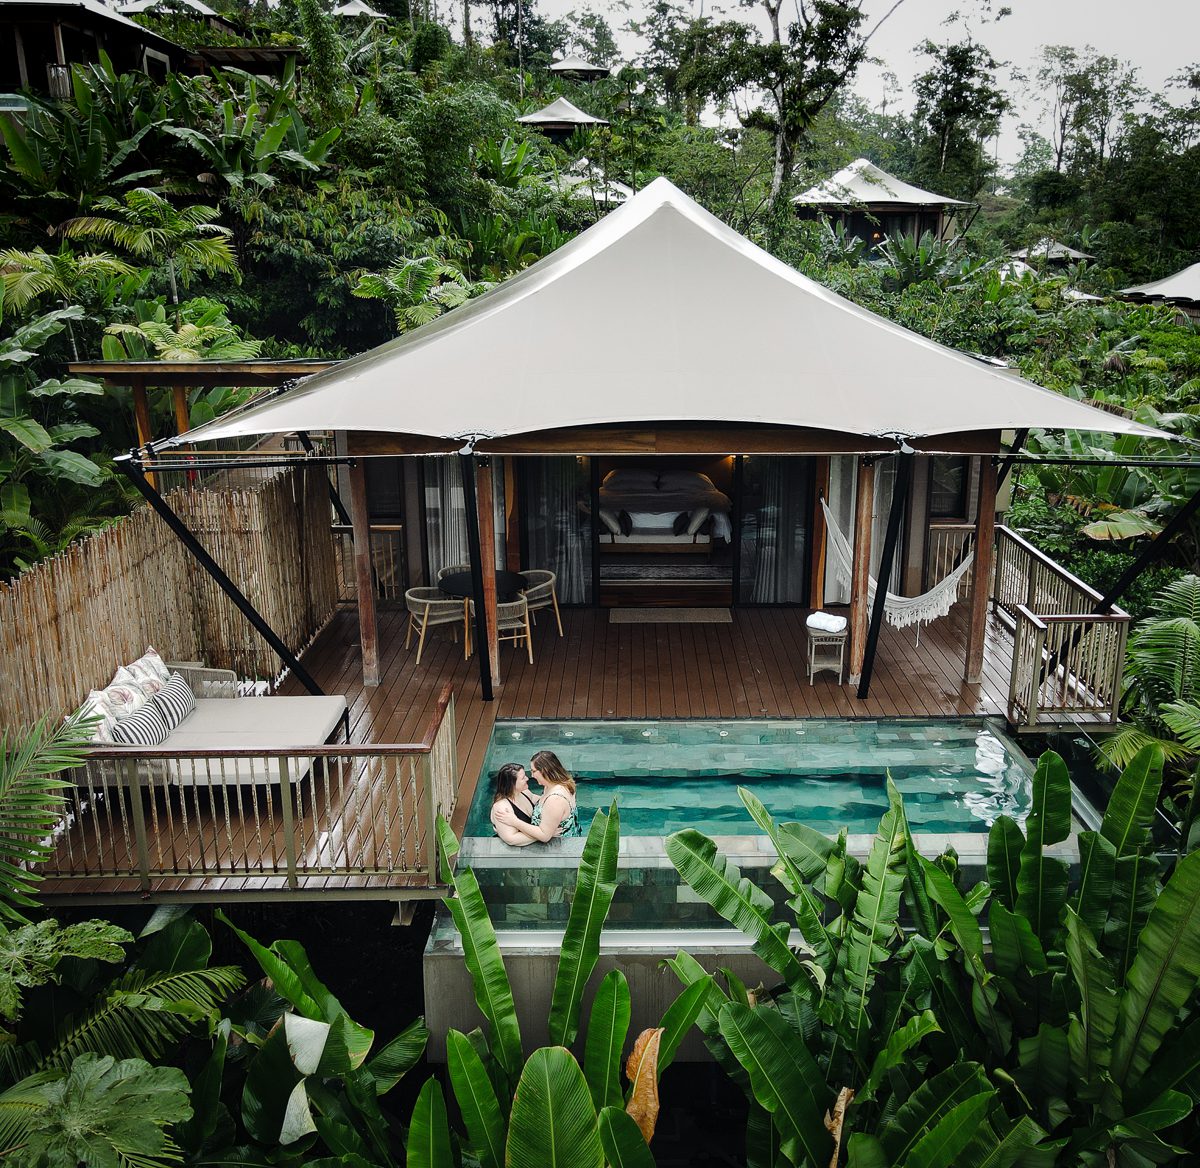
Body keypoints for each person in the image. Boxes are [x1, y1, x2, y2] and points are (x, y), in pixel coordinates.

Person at [493, 750, 582, 842]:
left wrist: (514, 821)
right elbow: (542, 802)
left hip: (557, 848)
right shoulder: (560, 784)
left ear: (545, 771)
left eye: (534, 771)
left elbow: (544, 836)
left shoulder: (555, 799)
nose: (531, 776)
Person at [489, 762, 541, 847]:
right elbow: (511, 839)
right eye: (523, 778)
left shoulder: (524, 792)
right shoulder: (502, 807)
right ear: (512, 784)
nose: (527, 779)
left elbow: (543, 801)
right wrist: (544, 834)